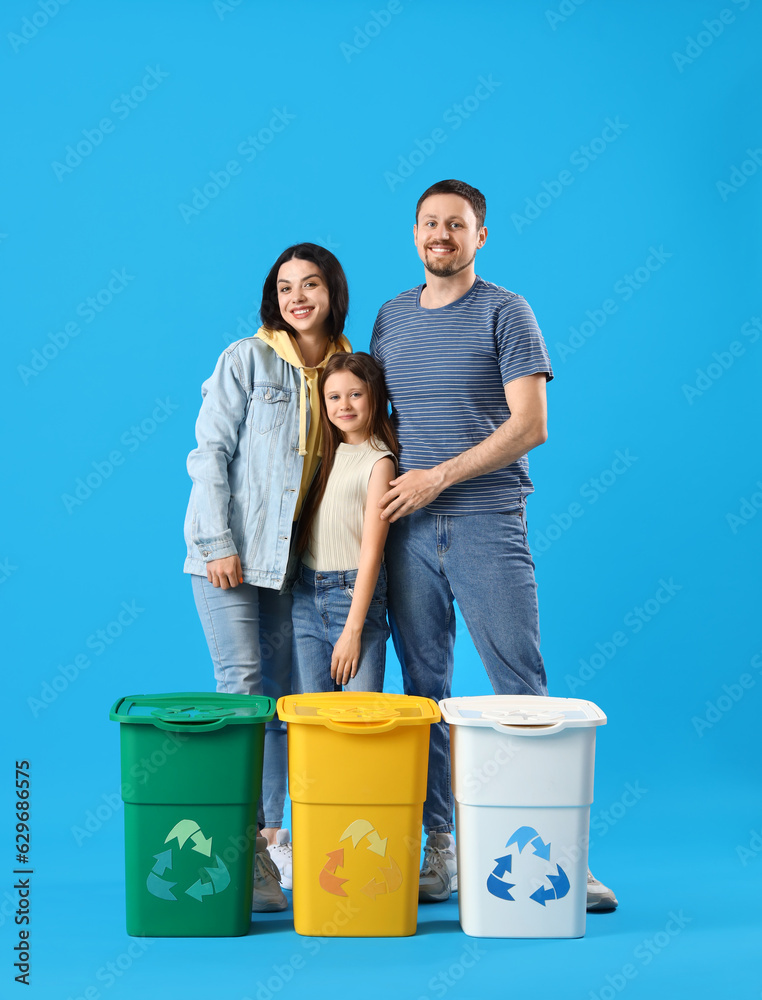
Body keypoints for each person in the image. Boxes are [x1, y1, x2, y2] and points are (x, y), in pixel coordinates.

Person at [370, 179, 618, 912]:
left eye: (456, 224)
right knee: (425, 694)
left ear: (480, 237)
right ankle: (440, 850)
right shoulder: (389, 317)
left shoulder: (507, 312)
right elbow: (380, 421)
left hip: (487, 522)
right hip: (405, 533)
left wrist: (436, 478)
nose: (440, 235)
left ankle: (561, 857)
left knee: (521, 690)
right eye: (428, 223)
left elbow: (530, 425)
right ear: (414, 234)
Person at [183, 243, 351, 911]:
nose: (297, 297)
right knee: (244, 690)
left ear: (334, 292)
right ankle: (244, 844)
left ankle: (278, 837)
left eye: (311, 285)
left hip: (291, 567)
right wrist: (218, 541)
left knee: (285, 703)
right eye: (285, 287)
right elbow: (209, 454)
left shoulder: (345, 369)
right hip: (226, 558)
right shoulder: (245, 360)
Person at [291, 353, 398, 693]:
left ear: (374, 396)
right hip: (307, 594)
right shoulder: (324, 455)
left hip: (353, 599)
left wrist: (353, 630)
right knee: (311, 718)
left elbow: (372, 553)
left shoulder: (379, 461)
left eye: (356, 394)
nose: (344, 405)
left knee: (358, 719)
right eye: (334, 397)